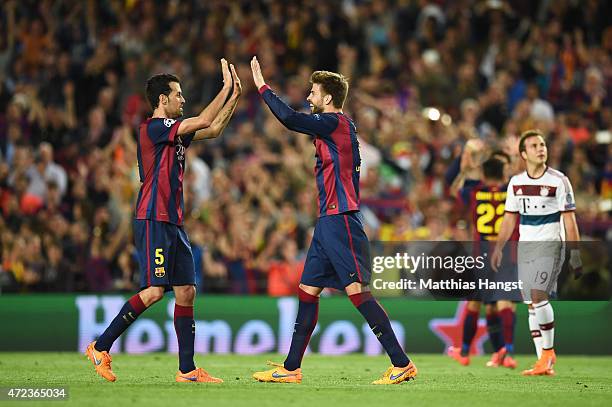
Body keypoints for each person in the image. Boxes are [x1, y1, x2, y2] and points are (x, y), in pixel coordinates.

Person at [250, 56, 416, 385]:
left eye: (313, 92)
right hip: (327, 221)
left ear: (327, 98)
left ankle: (401, 362)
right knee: (308, 291)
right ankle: (291, 367)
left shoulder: (334, 122)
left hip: (342, 219)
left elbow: (289, 118)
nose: (309, 97)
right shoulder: (333, 128)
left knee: (357, 293)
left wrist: (262, 87)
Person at [85, 59, 242, 383]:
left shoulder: (174, 135)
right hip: (153, 217)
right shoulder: (154, 129)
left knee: (186, 292)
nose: (182, 100)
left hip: (173, 221)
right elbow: (203, 118)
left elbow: (212, 129)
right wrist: (224, 88)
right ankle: (100, 346)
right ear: (162, 100)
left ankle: (187, 370)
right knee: (156, 291)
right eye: (178, 94)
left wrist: (235, 96)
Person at [492, 129, 582, 376]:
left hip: (551, 245)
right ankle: (542, 362)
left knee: (538, 294)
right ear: (523, 154)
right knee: (531, 304)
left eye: (542, 144)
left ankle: (549, 352)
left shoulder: (559, 181)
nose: (541, 148)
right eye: (534, 145)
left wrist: (574, 254)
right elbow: (509, 219)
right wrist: (499, 248)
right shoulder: (516, 183)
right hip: (526, 248)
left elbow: (570, 221)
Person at [447, 151, 519, 369]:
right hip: (508, 252)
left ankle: (466, 351)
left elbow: (455, 191)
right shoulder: (511, 191)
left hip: (482, 254)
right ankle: (507, 350)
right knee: (504, 302)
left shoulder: (475, 191)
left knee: (475, 302)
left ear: (484, 174)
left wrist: (467, 169)